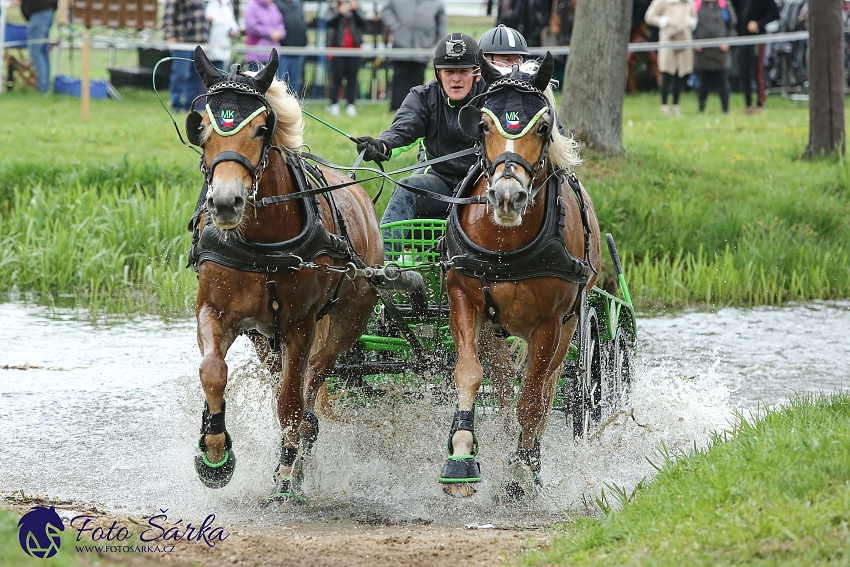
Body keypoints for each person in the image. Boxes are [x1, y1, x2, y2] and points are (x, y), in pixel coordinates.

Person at [354, 33, 485, 250]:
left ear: (477, 74)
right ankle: (381, 264)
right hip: (441, 182)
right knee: (407, 187)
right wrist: (381, 145)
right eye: (449, 71)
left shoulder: (494, 97)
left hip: (484, 186)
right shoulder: (423, 97)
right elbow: (404, 130)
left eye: (463, 71)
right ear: (437, 74)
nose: (456, 78)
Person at [381, 0, 446, 111]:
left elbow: (441, 23)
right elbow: (386, 10)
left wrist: (438, 43)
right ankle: (396, 108)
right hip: (401, 47)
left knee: (418, 79)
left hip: (423, 47)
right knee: (399, 78)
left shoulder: (436, 3)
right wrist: (396, 28)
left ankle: (415, 109)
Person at [645, 0, 697, 116]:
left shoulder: (688, 2)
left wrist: (691, 21)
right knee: (667, 73)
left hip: (684, 39)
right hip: (668, 39)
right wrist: (662, 21)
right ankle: (664, 105)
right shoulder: (662, 1)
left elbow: (694, 16)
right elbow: (649, 16)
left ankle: (675, 105)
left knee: (682, 73)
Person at [730, 0, 779, 113]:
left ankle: (760, 104)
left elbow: (775, 13)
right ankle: (748, 105)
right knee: (744, 71)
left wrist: (758, 23)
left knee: (758, 71)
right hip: (743, 38)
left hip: (758, 38)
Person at [163, 0, 210, 111]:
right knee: (180, 74)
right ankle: (176, 104)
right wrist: (170, 36)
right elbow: (167, 17)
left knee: (197, 76)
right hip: (182, 42)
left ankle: (192, 104)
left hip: (200, 44)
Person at [693, 0, 737, 113]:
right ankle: (701, 108)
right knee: (703, 82)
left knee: (723, 81)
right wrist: (694, 41)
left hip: (720, 53)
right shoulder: (696, 5)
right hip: (702, 52)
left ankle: (725, 109)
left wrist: (728, 42)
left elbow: (732, 27)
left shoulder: (724, 6)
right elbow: (690, 25)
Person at [326, 0, 366, 116]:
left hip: (354, 50)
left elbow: (363, 23)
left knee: (352, 79)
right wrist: (340, 13)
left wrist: (355, 10)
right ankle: (334, 104)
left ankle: (350, 104)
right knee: (336, 79)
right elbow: (328, 22)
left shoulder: (357, 8)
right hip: (337, 49)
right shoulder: (332, 7)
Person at [19, 0, 58, 93]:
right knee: (43, 51)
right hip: (48, 12)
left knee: (36, 51)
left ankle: (43, 86)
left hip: (39, 13)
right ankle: (45, 84)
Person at [273, 0, 308, 94]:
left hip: (298, 50)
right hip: (283, 51)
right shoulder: (276, 4)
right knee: (280, 84)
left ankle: (293, 107)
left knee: (294, 85)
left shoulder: (298, 5)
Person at [243, 0, 285, 69]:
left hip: (273, 55)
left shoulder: (273, 7)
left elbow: (280, 23)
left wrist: (280, 33)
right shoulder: (251, 6)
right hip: (256, 56)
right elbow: (253, 26)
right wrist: (270, 33)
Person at [205, 0, 239, 70]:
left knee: (220, 71)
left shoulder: (227, 4)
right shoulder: (207, 3)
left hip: (223, 44)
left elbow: (231, 22)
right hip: (209, 43)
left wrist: (233, 30)